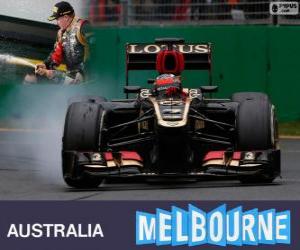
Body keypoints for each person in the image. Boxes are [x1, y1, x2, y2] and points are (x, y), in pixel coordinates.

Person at [25, 1, 92, 84]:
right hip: (72, 78)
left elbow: (97, 52)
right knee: (38, 76)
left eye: (57, 19)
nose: (57, 23)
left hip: (90, 78)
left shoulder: (84, 27)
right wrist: (46, 64)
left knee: (52, 75)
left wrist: (82, 73)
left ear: (66, 17)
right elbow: (56, 55)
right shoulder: (61, 33)